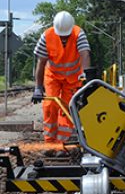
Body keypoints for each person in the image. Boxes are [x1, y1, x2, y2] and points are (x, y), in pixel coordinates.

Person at [32, 11, 91, 144]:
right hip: (52, 76)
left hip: (73, 78)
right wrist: (38, 87)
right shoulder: (47, 36)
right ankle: (49, 141)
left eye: (66, 36)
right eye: (61, 36)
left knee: (67, 108)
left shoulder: (78, 34)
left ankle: (61, 144)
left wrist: (85, 77)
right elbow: (41, 63)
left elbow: (85, 55)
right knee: (50, 105)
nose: (64, 39)